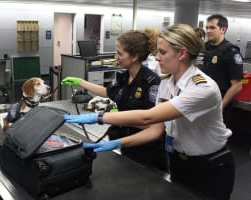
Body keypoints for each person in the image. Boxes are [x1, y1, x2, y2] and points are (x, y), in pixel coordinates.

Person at [64, 24, 235, 200]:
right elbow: (155, 129)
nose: (156, 58)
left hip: (208, 166)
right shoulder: (166, 84)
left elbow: (148, 117)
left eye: (162, 52)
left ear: (182, 54)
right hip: (177, 162)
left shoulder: (202, 88)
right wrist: (117, 143)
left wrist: (98, 117)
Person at [61, 28, 167, 171]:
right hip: (125, 144)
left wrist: (107, 118)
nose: (115, 56)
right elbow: (108, 92)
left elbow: (149, 124)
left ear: (134, 56)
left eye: (119, 53)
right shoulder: (123, 77)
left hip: (145, 150)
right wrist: (80, 82)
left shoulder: (151, 82)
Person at [197, 14, 243, 128]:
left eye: (212, 28)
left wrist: (220, 107)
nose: (208, 31)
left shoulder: (231, 52)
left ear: (223, 29)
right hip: (199, 103)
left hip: (218, 107)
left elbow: (237, 85)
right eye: (207, 28)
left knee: (214, 143)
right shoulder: (202, 49)